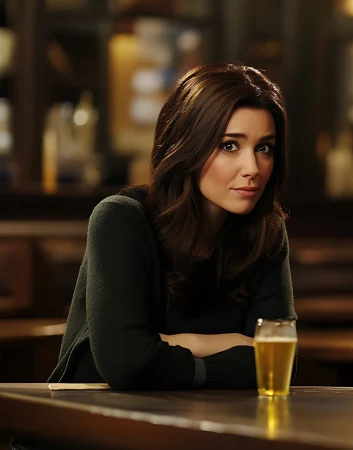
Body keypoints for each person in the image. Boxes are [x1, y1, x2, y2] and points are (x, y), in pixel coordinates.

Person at [48, 62, 295, 390]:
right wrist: (231, 343)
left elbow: (277, 365)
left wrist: (162, 344)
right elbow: (125, 364)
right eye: (229, 145)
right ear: (187, 146)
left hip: (208, 428)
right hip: (91, 427)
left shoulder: (267, 232)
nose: (252, 168)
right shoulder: (120, 219)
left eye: (263, 148)